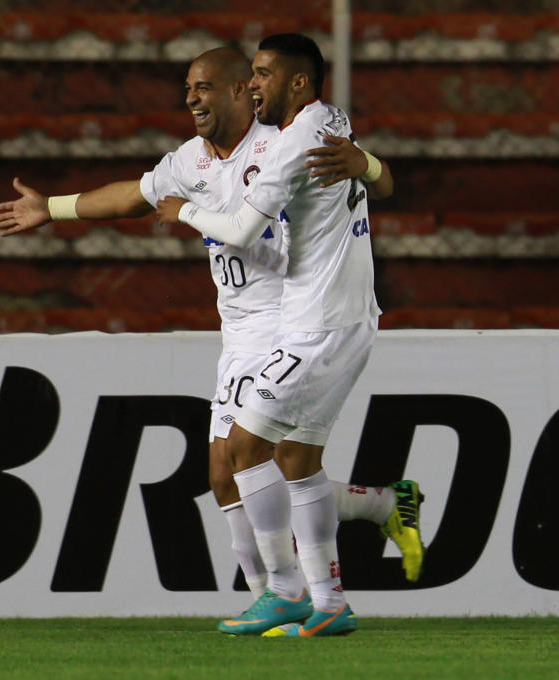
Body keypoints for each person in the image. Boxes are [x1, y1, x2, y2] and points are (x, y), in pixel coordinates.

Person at [0, 46, 423, 636]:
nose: (191, 97)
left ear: (244, 90)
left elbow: (353, 176)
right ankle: (362, 524)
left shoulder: (281, 141)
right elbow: (133, 197)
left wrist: (366, 167)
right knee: (245, 470)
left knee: (247, 457)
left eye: (204, 87)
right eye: (187, 87)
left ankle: (281, 593)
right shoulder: (190, 159)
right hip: (240, 326)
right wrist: (54, 208)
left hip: (288, 317)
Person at [155, 34, 397, 637]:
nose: (253, 83)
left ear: (297, 83)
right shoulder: (330, 120)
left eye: (263, 74)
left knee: (242, 451)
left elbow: (237, 230)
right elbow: (385, 183)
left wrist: (181, 210)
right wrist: (366, 163)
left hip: (319, 328)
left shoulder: (294, 144)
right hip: (335, 319)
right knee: (301, 462)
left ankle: (284, 591)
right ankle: (330, 601)